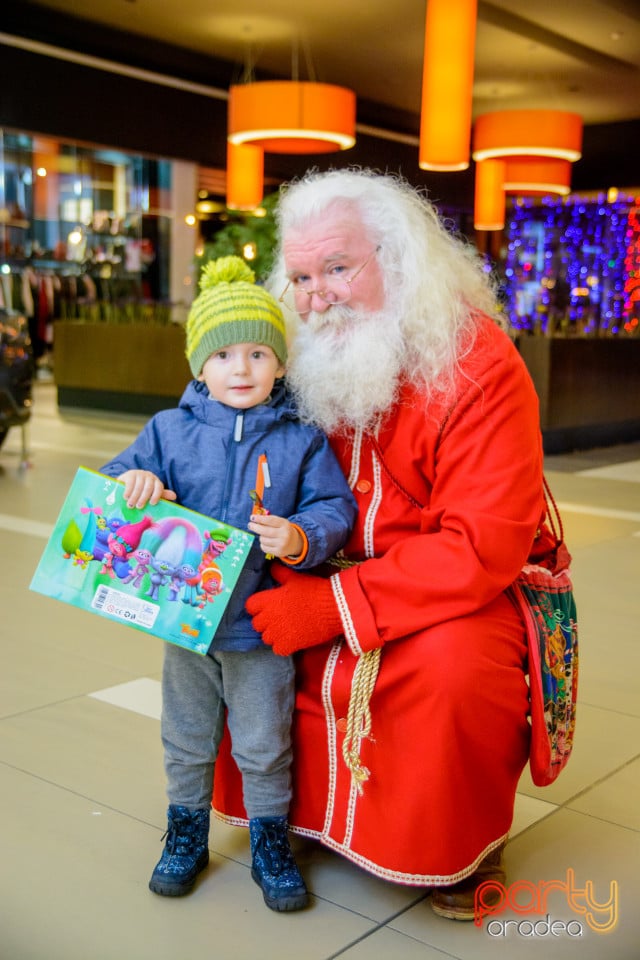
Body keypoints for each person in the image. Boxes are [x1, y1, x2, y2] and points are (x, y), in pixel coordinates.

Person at [210, 168, 547, 921]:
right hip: (310, 557)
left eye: (337, 268)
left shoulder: (482, 365)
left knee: (452, 669)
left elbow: (481, 544)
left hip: (456, 582)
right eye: (299, 275)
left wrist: (335, 603)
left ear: (395, 261)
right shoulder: (288, 358)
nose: (316, 294)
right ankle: (286, 814)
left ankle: (458, 841)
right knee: (230, 630)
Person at [100, 256, 356, 912]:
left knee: (264, 740)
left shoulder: (300, 440)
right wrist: (134, 484)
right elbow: (114, 483)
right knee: (185, 734)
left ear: (280, 365)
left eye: (258, 353)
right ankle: (185, 828)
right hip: (183, 623)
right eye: (222, 356)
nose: (240, 369)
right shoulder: (167, 431)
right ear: (198, 366)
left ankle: (270, 837)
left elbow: (334, 509)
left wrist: (299, 536)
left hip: (258, 626)